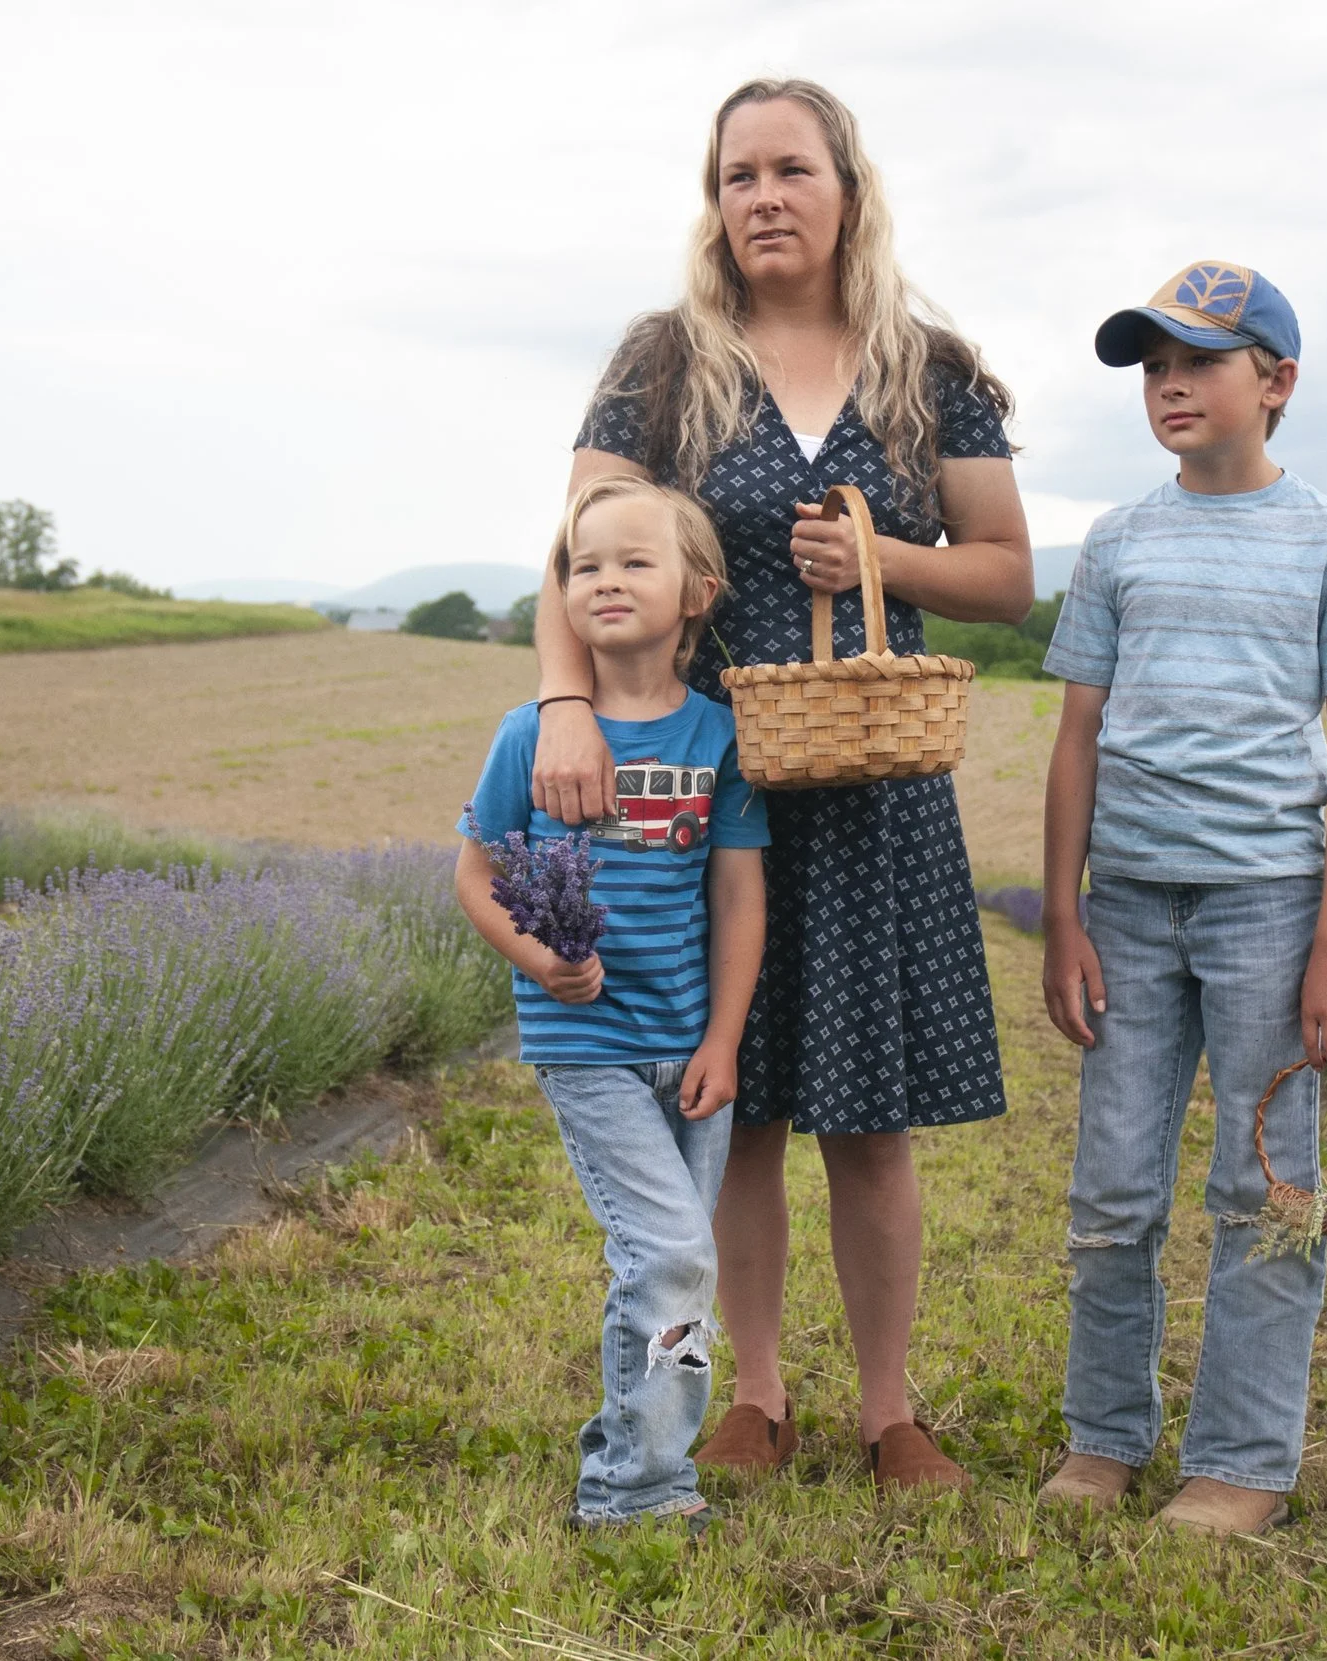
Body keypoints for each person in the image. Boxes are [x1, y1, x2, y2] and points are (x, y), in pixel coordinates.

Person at [530, 78, 1033, 1490]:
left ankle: (890, 1411)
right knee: (730, 1102)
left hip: (875, 788)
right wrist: (566, 707)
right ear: (717, 202)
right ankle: (754, 1394)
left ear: (846, 192)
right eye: (736, 175)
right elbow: (570, 554)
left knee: (869, 1120)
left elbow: (1005, 574)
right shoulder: (664, 363)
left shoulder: (931, 368)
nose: (761, 196)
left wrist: (884, 563)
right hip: (703, 785)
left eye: (789, 170)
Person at [1035, 262, 1327, 1533]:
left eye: (1199, 361)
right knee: (1112, 1187)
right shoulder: (1118, 541)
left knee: (1264, 1189)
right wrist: (1066, 913)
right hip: (1128, 904)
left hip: (1267, 907)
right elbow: (1076, 737)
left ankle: (1242, 1461)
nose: (1170, 385)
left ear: (1277, 382)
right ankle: (1103, 1437)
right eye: (1153, 367)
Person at [456, 476, 768, 1530]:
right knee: (671, 1252)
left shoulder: (717, 739)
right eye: (585, 565)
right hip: (584, 1042)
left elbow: (735, 893)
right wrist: (540, 960)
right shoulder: (528, 736)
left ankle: (633, 1449)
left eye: (635, 560)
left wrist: (723, 1038)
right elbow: (475, 874)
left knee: (673, 1260)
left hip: (687, 1050)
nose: (606, 580)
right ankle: (637, 1491)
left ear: (698, 592)